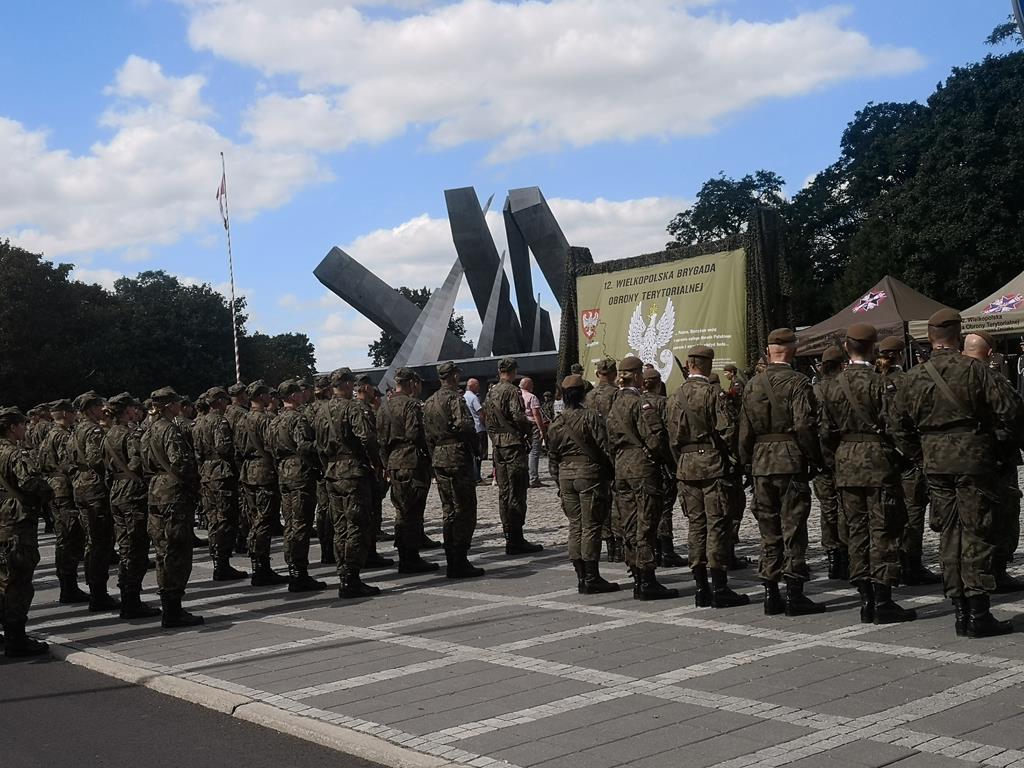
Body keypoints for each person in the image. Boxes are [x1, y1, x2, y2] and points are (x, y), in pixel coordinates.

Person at [893, 309, 1020, 638]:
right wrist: (1000, 448)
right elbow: (1011, 413)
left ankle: (960, 610)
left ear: (929, 337)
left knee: (949, 533)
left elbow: (897, 426)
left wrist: (921, 454)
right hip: (973, 462)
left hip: (935, 464)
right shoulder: (976, 370)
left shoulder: (913, 376)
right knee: (976, 532)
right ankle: (978, 612)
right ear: (958, 334)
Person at [818, 324, 916, 624]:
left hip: (846, 461)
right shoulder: (880, 383)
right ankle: (883, 599)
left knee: (856, 531)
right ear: (873, 348)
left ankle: (865, 598)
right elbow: (896, 425)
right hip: (878, 462)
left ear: (847, 347)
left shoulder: (831, 385)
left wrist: (834, 460)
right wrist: (906, 457)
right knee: (883, 529)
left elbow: (823, 431)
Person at [739, 328, 826, 616]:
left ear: (769, 350)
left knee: (768, 528)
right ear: (792, 349)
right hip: (790, 460)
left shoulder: (752, 384)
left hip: (762, 461)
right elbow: (804, 425)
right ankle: (795, 593)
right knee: (793, 527)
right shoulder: (798, 382)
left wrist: (747, 461)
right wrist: (815, 457)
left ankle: (770, 592)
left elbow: (745, 431)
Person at [666, 346, 746, 608]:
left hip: (686, 466)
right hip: (712, 464)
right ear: (708, 366)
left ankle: (700, 588)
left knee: (695, 525)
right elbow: (728, 430)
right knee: (717, 524)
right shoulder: (713, 394)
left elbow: (671, 438)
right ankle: (720, 587)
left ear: (689, 365)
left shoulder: (674, 397)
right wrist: (731, 458)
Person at [607, 355, 678, 600]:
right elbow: (655, 437)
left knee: (628, 524)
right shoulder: (640, 403)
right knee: (646, 523)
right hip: (642, 466)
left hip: (621, 467)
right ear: (637, 376)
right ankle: (647, 580)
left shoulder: (614, 403)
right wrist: (669, 461)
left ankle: (636, 574)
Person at [876, 336, 941, 586]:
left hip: (881, 455)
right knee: (913, 509)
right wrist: (915, 453)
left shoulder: (873, 380)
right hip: (908, 455)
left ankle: (891, 560)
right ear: (901, 355)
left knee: (885, 511)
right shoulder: (906, 380)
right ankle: (910, 563)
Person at [314, 368, 383, 598]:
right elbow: (367, 437)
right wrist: (376, 463)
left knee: (340, 526)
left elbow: (318, 444)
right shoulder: (352, 408)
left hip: (332, 472)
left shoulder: (321, 410)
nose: (353, 387)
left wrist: (327, 465)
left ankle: (343, 573)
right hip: (352, 471)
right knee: (357, 524)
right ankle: (351, 578)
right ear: (344, 384)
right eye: (351, 383)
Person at [546, 374, 619, 594]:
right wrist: (612, 471)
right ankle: (591, 576)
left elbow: (552, 456)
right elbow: (605, 447)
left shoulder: (556, 422)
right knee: (591, 526)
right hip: (589, 475)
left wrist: (558, 481)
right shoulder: (590, 417)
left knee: (575, 526)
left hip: (565, 477)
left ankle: (580, 576)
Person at [963, 331, 1024, 593]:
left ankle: (968, 576)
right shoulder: (992, 378)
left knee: (966, 520)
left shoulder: (943, 376)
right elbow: (1014, 415)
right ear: (990, 353)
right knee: (1002, 514)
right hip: (994, 458)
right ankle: (997, 571)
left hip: (953, 460)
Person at [140, 387, 204, 628]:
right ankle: (173, 610)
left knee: (163, 549)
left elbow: (144, 465)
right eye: (176, 402)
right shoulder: (169, 430)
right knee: (177, 549)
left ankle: (169, 606)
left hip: (156, 490)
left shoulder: (148, 430)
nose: (180, 405)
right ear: (168, 406)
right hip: (174, 493)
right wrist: (193, 483)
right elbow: (181, 463)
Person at [423, 361, 485, 578]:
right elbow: (466, 426)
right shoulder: (454, 399)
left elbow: (427, 435)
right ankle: (459, 559)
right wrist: (475, 448)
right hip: (457, 457)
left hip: (439, 457)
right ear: (453, 376)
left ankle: (452, 556)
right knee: (465, 509)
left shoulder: (429, 401)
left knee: (448, 509)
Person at [102, 393, 161, 620]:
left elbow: (102, 465)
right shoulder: (130, 435)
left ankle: (127, 595)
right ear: (127, 411)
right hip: (133, 493)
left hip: (116, 492)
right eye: (132, 409)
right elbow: (139, 463)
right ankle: (131, 601)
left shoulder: (108, 435)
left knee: (125, 546)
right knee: (136, 549)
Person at [0, 407, 53, 656]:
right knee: (19, 581)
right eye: (22, 424)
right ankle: (16, 639)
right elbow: (29, 481)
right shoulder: (14, 453)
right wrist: (47, 489)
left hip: (3, 519)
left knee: (3, 578)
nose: (25, 428)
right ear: (12, 427)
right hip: (17, 522)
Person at [377, 368, 438, 574]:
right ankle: (410, 557)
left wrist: (386, 463)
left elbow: (381, 440)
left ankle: (405, 553)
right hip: (411, 460)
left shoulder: (384, 406)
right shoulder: (412, 404)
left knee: (401, 509)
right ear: (412, 382)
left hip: (394, 461)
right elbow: (415, 433)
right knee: (413, 510)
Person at [484, 358, 543, 555]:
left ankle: (508, 534)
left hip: (498, 445)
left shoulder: (491, 391)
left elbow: (487, 417)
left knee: (504, 491)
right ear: (513, 371)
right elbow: (517, 415)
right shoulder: (511, 391)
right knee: (517, 490)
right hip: (512, 444)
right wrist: (529, 427)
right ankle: (516, 538)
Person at [273, 380, 327, 592]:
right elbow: (304, 446)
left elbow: (270, 447)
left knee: (290, 522)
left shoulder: (275, 420)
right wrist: (317, 462)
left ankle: (293, 568)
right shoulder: (298, 418)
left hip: (284, 472)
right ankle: (298, 573)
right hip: (299, 473)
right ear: (294, 396)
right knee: (301, 524)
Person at [70, 391, 119, 612]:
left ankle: (96, 590)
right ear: (90, 409)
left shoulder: (76, 429)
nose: (103, 409)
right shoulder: (92, 430)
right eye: (99, 406)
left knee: (93, 541)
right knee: (100, 542)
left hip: (81, 485)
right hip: (95, 488)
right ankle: (99, 594)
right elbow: (96, 459)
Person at [237, 380, 288, 586]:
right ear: (260, 397)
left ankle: (257, 565)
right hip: (264, 472)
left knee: (254, 519)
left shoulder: (242, 419)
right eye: (267, 394)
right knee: (264, 520)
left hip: (248, 472)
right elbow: (273, 446)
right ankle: (261, 568)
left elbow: (238, 448)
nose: (270, 397)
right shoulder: (264, 420)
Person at [194, 386, 247, 582]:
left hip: (206, 472)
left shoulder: (199, 423)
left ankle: (217, 558)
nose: (227, 404)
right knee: (226, 518)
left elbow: (197, 452)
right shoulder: (219, 421)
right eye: (224, 401)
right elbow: (224, 448)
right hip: (221, 473)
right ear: (218, 402)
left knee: (213, 518)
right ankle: (222, 563)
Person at [38, 399, 89, 604]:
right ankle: (68, 587)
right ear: (66, 414)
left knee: (64, 537)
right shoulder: (62, 436)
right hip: (64, 488)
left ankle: (68, 585)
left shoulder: (50, 433)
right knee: (69, 538)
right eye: (73, 412)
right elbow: (69, 463)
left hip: (54, 487)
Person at [641, 368, 687, 568]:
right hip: (663, 461)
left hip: (640, 462)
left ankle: (653, 549)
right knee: (665, 508)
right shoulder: (663, 403)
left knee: (647, 508)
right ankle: (666, 550)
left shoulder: (637, 404)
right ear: (658, 383)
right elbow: (672, 433)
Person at [813, 346, 849, 580]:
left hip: (820, 458)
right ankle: (846, 553)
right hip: (843, 455)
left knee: (828, 508)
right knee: (846, 507)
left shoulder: (813, 390)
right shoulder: (842, 388)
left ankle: (833, 556)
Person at [356, 375, 399, 565]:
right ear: (366, 387)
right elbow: (369, 440)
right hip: (366, 466)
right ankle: (369, 553)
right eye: (373, 388)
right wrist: (378, 463)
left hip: (352, 466)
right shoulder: (362, 410)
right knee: (370, 510)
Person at [587, 357, 622, 561]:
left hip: (594, 452)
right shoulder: (616, 395)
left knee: (600, 499)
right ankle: (618, 545)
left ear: (599, 373)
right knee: (617, 498)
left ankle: (607, 542)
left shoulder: (588, 396)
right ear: (614, 373)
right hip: (614, 450)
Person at [309, 375, 336, 564]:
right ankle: (333, 549)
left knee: (323, 508)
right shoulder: (331, 408)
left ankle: (326, 548)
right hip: (333, 463)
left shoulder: (307, 410)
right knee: (335, 508)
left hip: (317, 464)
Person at [520, 377, 547, 488]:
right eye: (531, 384)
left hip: (521, 426)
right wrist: (542, 429)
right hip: (532, 426)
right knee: (534, 452)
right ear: (527, 385)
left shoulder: (517, 396)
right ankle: (533, 478)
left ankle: (525, 477)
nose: (533, 387)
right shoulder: (532, 397)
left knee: (524, 452)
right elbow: (536, 414)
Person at [463, 378, 487, 484]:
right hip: (478, 428)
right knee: (478, 454)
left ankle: (473, 475)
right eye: (477, 386)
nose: (479, 388)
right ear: (472, 386)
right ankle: (477, 477)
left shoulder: (463, 397)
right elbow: (480, 413)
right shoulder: (473, 398)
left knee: (471, 454)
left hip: (470, 429)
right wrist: (485, 424)